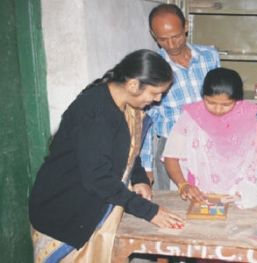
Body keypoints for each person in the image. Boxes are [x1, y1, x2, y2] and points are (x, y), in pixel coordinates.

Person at [29, 49, 185, 263]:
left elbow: (129, 148)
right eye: (155, 93)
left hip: (89, 200)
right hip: (65, 210)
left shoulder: (122, 104)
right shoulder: (96, 112)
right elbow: (97, 178)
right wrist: (150, 212)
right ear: (132, 85)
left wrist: (138, 178)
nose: (158, 100)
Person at [141, 3, 220, 190]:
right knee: (176, 201)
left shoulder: (210, 56)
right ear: (154, 36)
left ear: (186, 27)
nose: (171, 45)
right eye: (163, 39)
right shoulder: (153, 69)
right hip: (171, 151)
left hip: (208, 143)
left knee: (210, 197)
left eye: (176, 36)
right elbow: (146, 120)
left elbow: (221, 96)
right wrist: (145, 166)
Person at [163, 68, 257, 208]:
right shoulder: (192, 117)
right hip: (201, 193)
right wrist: (184, 185)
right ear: (203, 96)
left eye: (226, 105)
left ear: (238, 99)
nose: (217, 110)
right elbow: (170, 156)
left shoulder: (254, 116)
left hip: (243, 193)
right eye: (210, 102)